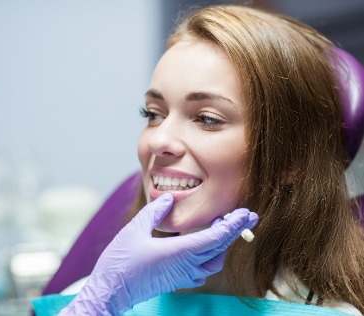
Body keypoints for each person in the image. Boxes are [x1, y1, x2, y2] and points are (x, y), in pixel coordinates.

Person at [43, 4, 364, 315]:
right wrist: (99, 304)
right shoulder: (89, 298)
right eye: (153, 114)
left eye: (207, 119)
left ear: (288, 161)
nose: (158, 140)